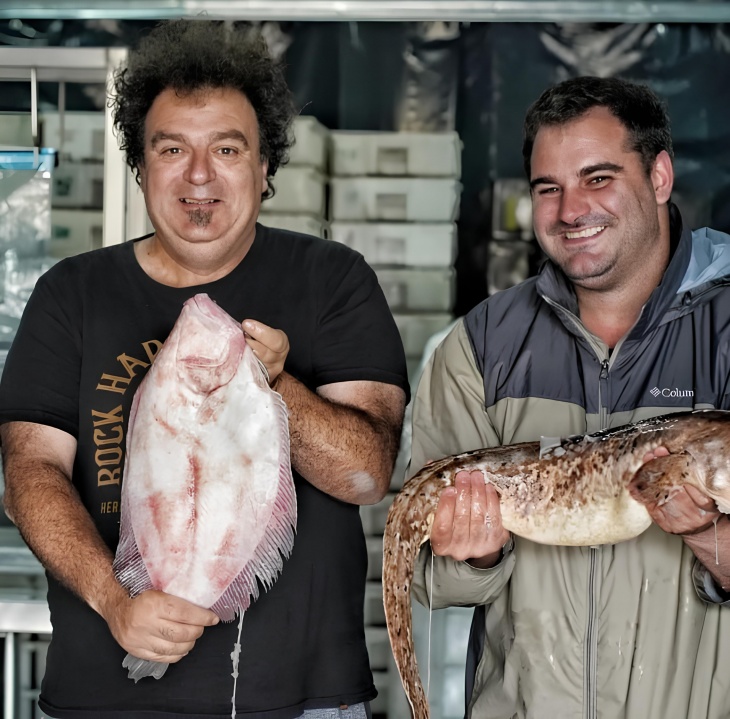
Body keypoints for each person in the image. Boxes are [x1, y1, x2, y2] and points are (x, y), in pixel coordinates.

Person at [0, 19, 408, 719]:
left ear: (265, 166)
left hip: (300, 699)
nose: (198, 176)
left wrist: (275, 384)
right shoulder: (74, 292)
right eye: (171, 149)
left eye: (226, 148)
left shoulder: (332, 280)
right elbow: (27, 472)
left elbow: (366, 472)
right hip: (103, 699)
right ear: (140, 166)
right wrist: (116, 600)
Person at [408, 75, 730, 719]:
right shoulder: (477, 349)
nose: (570, 210)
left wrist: (707, 534)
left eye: (598, 178)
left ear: (660, 176)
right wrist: (478, 552)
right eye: (548, 189)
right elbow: (425, 577)